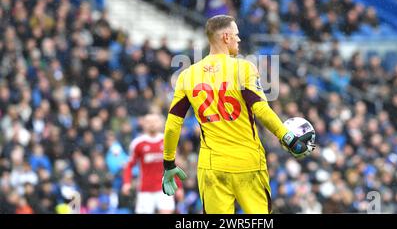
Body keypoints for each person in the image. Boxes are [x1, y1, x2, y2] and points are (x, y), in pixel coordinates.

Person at [162, 15, 315, 214]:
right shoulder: (243, 68)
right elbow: (260, 109)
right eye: (236, 35)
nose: (239, 39)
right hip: (247, 162)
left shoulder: (187, 75)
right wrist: (287, 137)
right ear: (226, 37)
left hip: (212, 166)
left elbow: (173, 124)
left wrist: (168, 162)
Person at [122, 114, 177, 214]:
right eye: (148, 121)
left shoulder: (167, 141)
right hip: (145, 189)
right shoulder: (138, 143)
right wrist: (127, 183)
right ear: (144, 124)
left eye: (155, 121)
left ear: (160, 123)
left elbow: (173, 166)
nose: (152, 124)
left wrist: (179, 187)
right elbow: (129, 165)